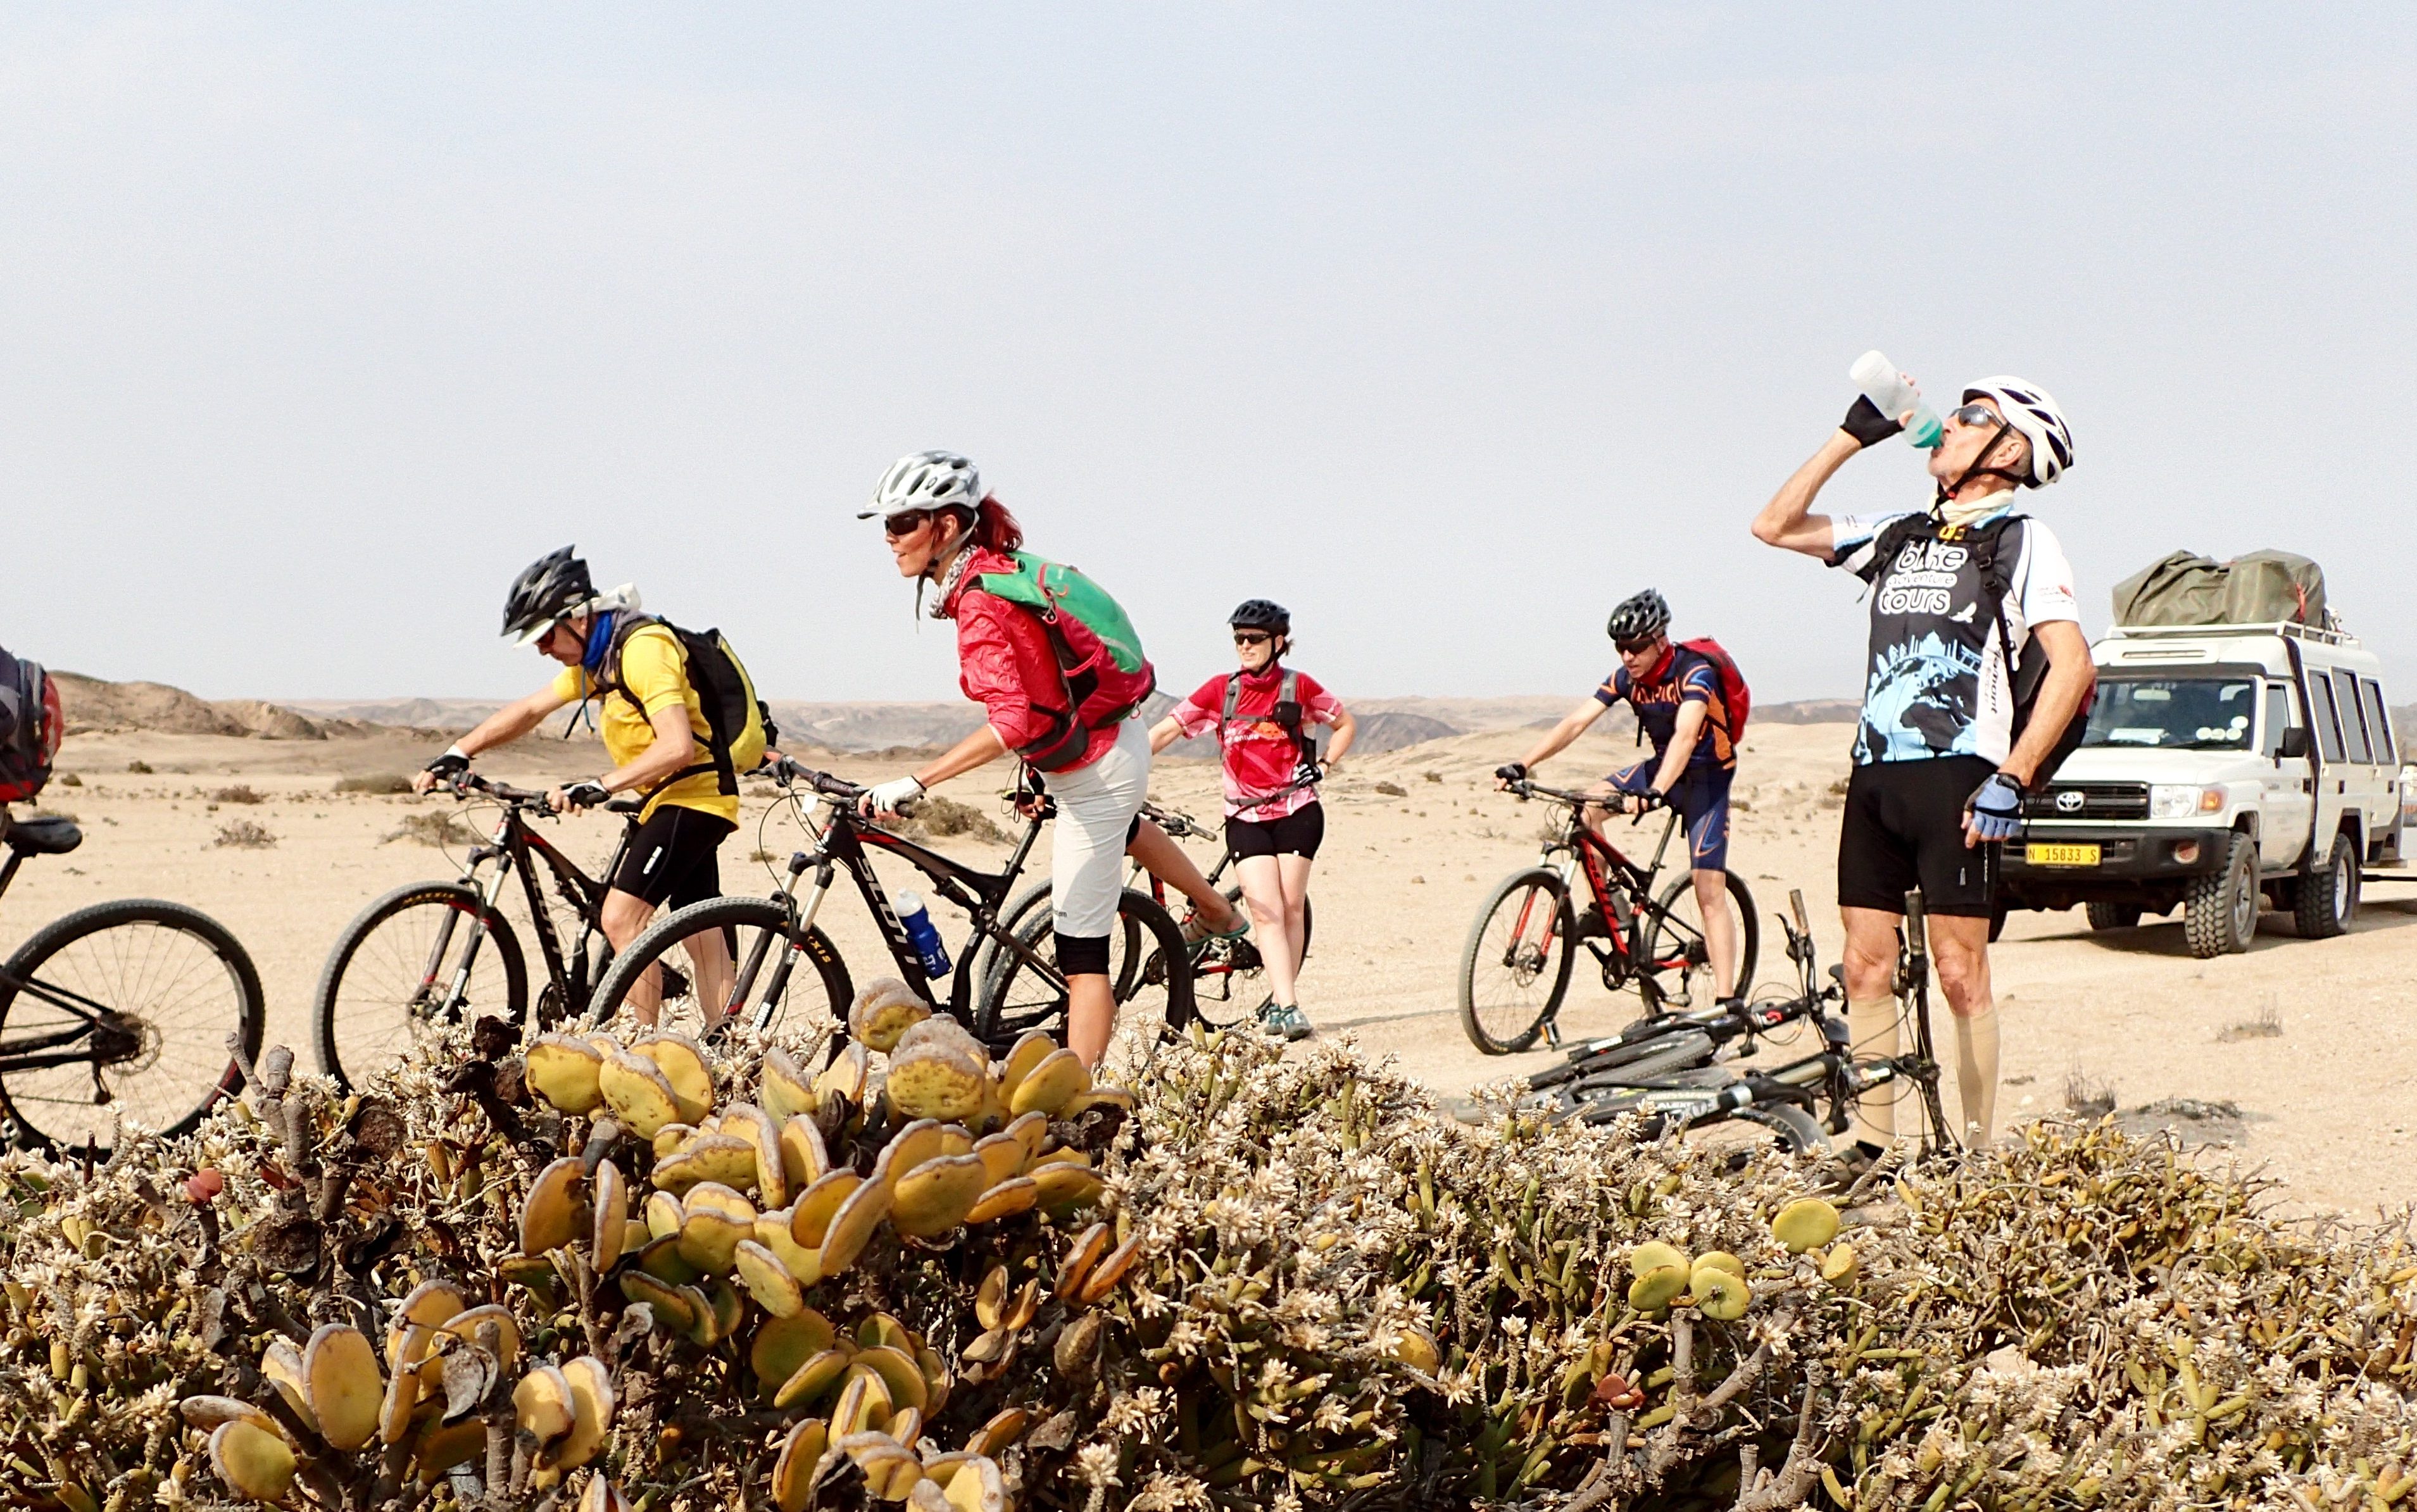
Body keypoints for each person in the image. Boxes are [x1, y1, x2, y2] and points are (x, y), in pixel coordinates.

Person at [1750, 373, 2095, 1153]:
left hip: (1958, 776)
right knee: (1864, 968)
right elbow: (1771, 525)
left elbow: (2069, 667)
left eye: (1974, 416)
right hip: (1874, 772)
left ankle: (1972, 1155)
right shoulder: (1898, 533)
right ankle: (1872, 1144)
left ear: (2012, 450)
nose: (1951, 423)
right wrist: (1851, 434)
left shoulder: (2022, 539)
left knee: (1957, 971)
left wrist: (2012, 775)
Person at [858, 451, 1156, 1069]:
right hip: (1089, 756)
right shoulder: (990, 573)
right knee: (1118, 833)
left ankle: (1084, 1100)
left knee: (1080, 957)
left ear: (944, 527)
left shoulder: (979, 599)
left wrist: (916, 780)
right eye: (883, 524)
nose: (889, 539)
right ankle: (1213, 909)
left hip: (1098, 769)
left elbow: (1011, 720)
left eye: (901, 523)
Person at [415, 547, 770, 1030]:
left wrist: (600, 785)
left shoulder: (643, 649)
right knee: (702, 930)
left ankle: (640, 1054)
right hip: (667, 799)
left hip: (694, 796)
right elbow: (531, 709)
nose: (541, 649)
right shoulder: (600, 659)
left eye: (544, 635)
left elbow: (677, 746)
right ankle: (733, 1051)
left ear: (577, 618)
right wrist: (460, 749)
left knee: (623, 919)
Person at [1493, 589, 1744, 1004]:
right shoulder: (1626, 678)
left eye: (1636, 647)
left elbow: (1685, 736)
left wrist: (1654, 793)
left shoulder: (1695, 672)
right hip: (1661, 768)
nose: (1627, 656)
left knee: (1709, 891)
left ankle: (1726, 1001)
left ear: (1661, 639)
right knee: (1587, 805)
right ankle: (1610, 906)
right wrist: (1522, 763)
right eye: (1620, 647)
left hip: (1707, 778)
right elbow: (1577, 722)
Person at [1148, 599, 1357, 1040]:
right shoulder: (1219, 691)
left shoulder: (1299, 687)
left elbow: (1345, 723)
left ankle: (1284, 1002)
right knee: (1265, 910)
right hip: (1243, 814)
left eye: (1255, 639)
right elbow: (1167, 729)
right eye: (1238, 639)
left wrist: (1325, 764)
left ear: (1278, 643)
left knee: (1290, 905)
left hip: (1296, 808)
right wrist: (1123, 765)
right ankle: (1288, 1005)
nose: (1245, 646)